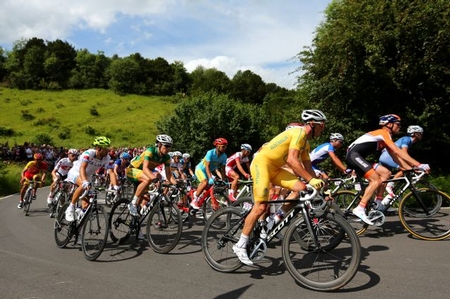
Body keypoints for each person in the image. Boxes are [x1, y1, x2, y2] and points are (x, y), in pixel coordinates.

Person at [233, 109, 327, 265]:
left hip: (276, 169)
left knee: (301, 188)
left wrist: (318, 184)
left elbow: (308, 168)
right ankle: (240, 244)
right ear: (312, 124)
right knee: (260, 207)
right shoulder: (299, 133)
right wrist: (311, 179)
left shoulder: (306, 144)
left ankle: (273, 220)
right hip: (262, 164)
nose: (323, 129)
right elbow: (292, 160)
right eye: (321, 126)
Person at [346, 115, 430, 225]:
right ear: (389, 124)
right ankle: (360, 208)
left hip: (359, 157)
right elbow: (398, 152)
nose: (400, 127)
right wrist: (419, 165)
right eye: (398, 124)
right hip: (354, 156)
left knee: (386, 173)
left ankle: (378, 202)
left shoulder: (386, 137)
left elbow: (395, 157)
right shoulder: (383, 133)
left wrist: (411, 169)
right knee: (376, 181)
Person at [126, 134, 177, 216]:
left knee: (145, 199)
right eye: (166, 146)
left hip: (144, 174)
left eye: (170, 146)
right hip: (132, 170)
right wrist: (154, 179)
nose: (168, 149)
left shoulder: (167, 157)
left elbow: (169, 175)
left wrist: (177, 184)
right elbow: (145, 168)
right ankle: (132, 204)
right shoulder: (150, 151)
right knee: (148, 179)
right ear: (159, 145)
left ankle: (134, 220)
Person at [64, 137, 112, 222]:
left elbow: (110, 171)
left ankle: (78, 222)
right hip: (76, 172)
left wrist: (114, 185)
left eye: (108, 148)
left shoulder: (107, 158)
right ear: (98, 148)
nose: (108, 150)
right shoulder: (88, 153)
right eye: (105, 148)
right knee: (82, 185)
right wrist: (85, 181)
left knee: (86, 205)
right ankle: (70, 208)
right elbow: (82, 168)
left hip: (87, 176)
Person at [378, 125, 425, 204]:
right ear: (415, 134)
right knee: (406, 169)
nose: (421, 135)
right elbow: (404, 153)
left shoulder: (407, 140)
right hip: (388, 157)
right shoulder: (407, 139)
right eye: (420, 133)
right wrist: (414, 165)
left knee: (383, 182)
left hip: (384, 157)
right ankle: (391, 185)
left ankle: (382, 204)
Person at [190, 138, 228, 209]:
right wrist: (210, 177)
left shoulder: (224, 156)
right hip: (200, 169)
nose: (224, 148)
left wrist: (223, 180)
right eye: (223, 146)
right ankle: (195, 199)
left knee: (209, 188)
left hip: (208, 172)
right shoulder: (210, 153)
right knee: (205, 182)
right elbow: (207, 166)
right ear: (217, 146)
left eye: (225, 146)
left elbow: (223, 169)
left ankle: (200, 198)